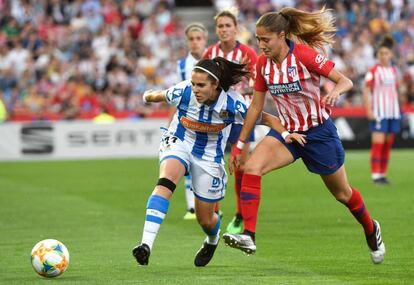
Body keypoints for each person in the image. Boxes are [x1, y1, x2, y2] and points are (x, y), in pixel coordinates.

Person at [222, 7, 386, 264]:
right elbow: (256, 106)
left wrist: (335, 92)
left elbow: (344, 81)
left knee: (342, 194)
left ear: (282, 35)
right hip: (287, 134)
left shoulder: (304, 56)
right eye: (257, 39)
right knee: (251, 168)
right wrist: (240, 142)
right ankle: (249, 235)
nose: (261, 45)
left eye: (266, 39)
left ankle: (370, 228)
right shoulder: (263, 64)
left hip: (318, 134)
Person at [131, 57, 301, 267]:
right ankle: (145, 245)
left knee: (206, 219)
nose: (195, 89)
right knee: (166, 180)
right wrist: (147, 95)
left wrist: (285, 135)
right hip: (180, 141)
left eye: (201, 85)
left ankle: (212, 238)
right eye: (193, 84)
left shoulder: (233, 103)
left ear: (216, 85)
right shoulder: (184, 91)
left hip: (209, 157)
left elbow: (268, 119)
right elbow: (160, 95)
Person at [203, 7, 258, 234]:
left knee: (240, 166)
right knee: (212, 163)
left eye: (228, 26)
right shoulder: (210, 53)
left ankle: (239, 214)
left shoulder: (246, 54)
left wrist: (245, 90)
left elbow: (257, 85)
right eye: (220, 26)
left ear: (236, 29)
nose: (224, 30)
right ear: (216, 30)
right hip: (215, 116)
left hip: (240, 116)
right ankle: (214, 209)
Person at [175, 22, 208, 220]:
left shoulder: (213, 61)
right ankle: (191, 207)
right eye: (191, 39)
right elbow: (178, 93)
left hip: (210, 119)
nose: (195, 43)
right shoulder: (182, 66)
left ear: (205, 40)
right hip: (189, 118)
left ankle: (209, 205)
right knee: (188, 163)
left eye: (198, 38)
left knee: (209, 163)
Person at [363, 35, 401, 185]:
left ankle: (383, 174)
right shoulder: (373, 70)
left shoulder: (393, 70)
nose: (384, 56)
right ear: (378, 55)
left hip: (393, 112)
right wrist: (369, 110)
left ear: (391, 54)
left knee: (387, 144)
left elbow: (395, 90)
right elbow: (366, 90)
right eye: (381, 54)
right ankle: (375, 175)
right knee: (378, 142)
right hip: (379, 112)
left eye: (386, 53)